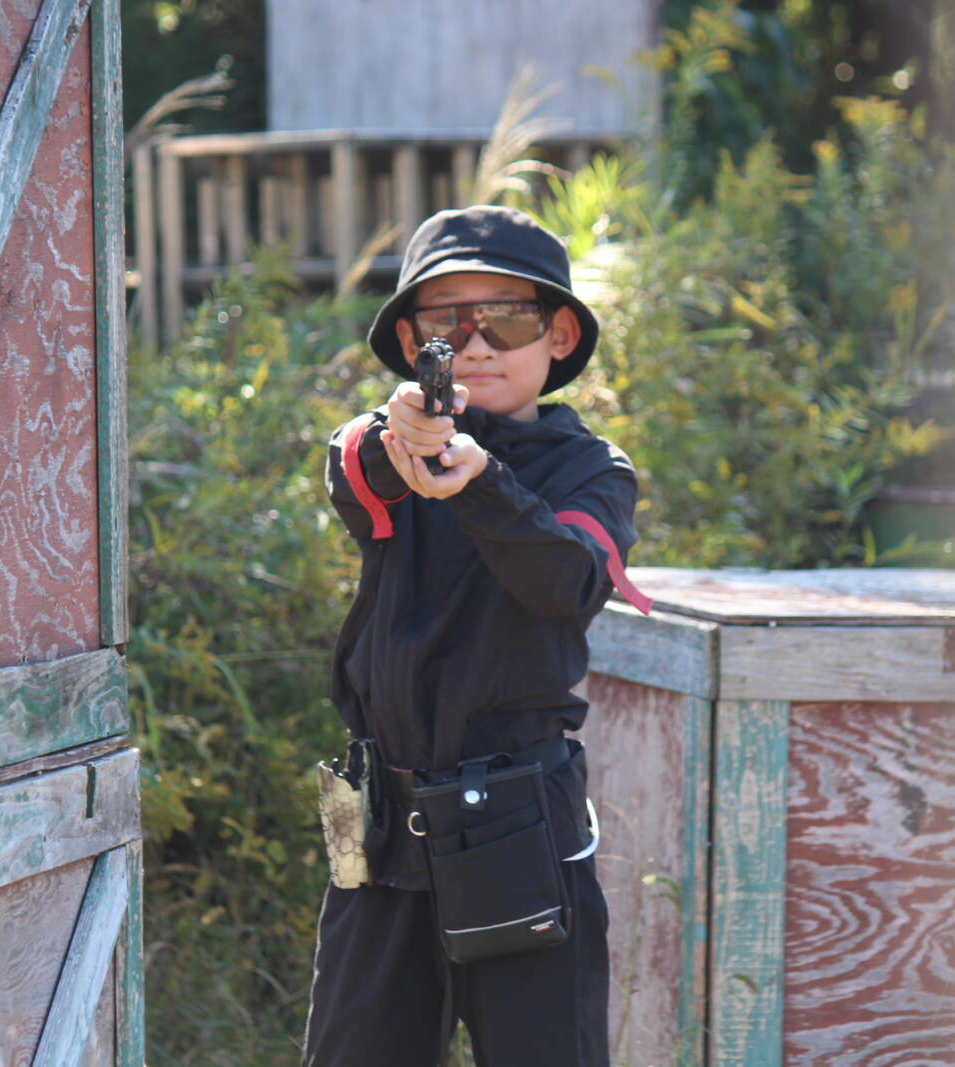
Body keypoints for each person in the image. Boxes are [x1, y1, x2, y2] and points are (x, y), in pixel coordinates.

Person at [304, 205, 651, 1067]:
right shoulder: (390, 447)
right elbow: (353, 468)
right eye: (448, 323)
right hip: (382, 831)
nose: (478, 343)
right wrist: (407, 436)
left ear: (559, 334)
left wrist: (481, 482)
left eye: (507, 317)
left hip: (523, 828)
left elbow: (566, 580)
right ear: (412, 341)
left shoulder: (592, 469)